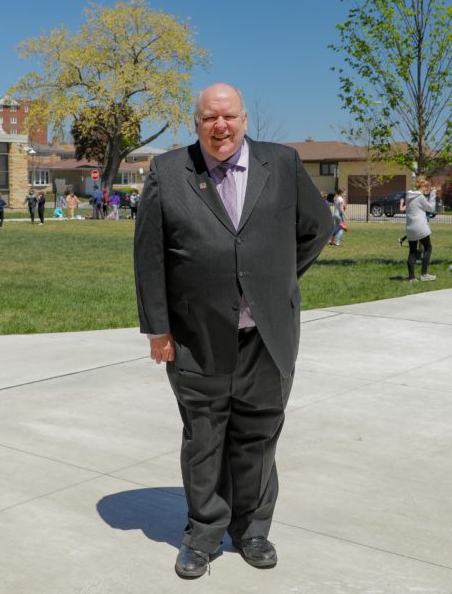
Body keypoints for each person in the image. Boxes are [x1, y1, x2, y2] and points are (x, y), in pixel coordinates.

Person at [133, 82, 331, 579]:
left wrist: (275, 282)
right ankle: (202, 535)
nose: (220, 127)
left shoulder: (282, 164)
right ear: (195, 123)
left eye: (229, 117)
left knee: (258, 437)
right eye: (208, 118)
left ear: (244, 119)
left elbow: (317, 228)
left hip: (268, 337)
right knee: (204, 438)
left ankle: (253, 530)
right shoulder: (167, 172)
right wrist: (158, 329)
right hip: (196, 338)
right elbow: (150, 257)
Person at [403, 176, 438, 281]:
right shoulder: (420, 197)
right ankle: (424, 274)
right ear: (424, 187)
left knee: (412, 252)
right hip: (420, 227)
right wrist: (433, 194)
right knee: (428, 248)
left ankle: (411, 277)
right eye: (427, 188)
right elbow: (431, 208)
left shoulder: (409, 195)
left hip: (410, 227)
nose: (427, 191)